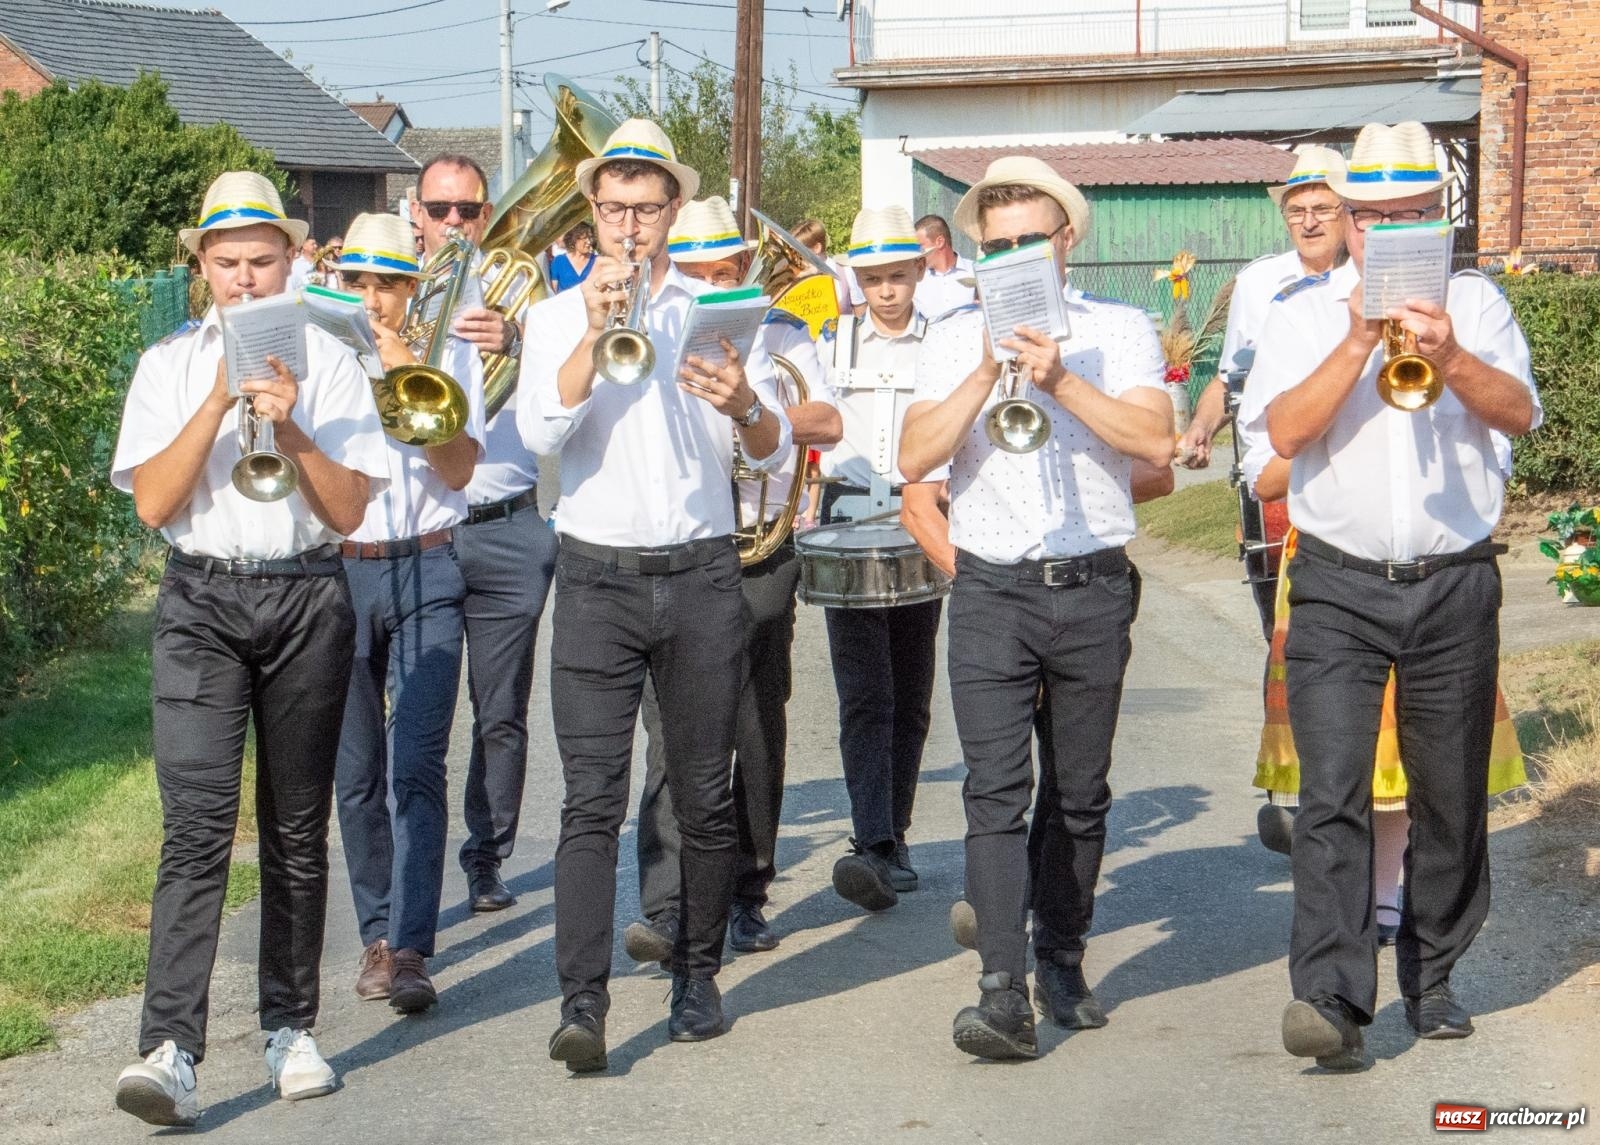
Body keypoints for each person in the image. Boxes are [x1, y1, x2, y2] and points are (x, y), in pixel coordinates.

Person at [1237, 121, 1540, 1071]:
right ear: (1354, 225)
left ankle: (1433, 973)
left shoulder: (1478, 305)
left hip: (1452, 580)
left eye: (1409, 218)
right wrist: (1361, 337)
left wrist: (1447, 358)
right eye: (1372, 219)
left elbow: (1521, 413)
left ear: (1435, 223)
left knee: (1450, 796)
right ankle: (1329, 995)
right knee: (1331, 794)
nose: (1387, 234)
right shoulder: (1299, 311)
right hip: (1337, 582)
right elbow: (1282, 434)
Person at [108, 172, 388, 1126]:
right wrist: (225, 396)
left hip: (308, 590)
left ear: (293, 261)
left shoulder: (336, 361)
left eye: (260, 261)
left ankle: (289, 1029)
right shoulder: (170, 363)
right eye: (225, 264)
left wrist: (291, 416)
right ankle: (172, 1047)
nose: (242, 278)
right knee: (194, 831)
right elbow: (152, 504)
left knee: (297, 829)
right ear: (202, 269)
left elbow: (349, 509)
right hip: (201, 600)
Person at [519, 119, 792, 1069]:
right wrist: (594, 334)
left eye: (645, 207)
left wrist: (746, 403)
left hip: (701, 569)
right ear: (590, 211)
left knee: (703, 795)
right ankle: (581, 1006)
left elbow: (775, 450)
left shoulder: (716, 309)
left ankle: (697, 977)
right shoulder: (556, 314)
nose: (628, 224)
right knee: (589, 801)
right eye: (612, 207)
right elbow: (541, 433)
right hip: (596, 573)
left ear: (674, 212)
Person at [900, 156, 1175, 1061]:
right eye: (996, 245)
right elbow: (914, 458)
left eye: (1029, 240)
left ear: (1065, 242)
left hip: (1092, 581)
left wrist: (1059, 380)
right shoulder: (952, 335)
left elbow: (1155, 439)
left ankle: (1062, 953)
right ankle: (1001, 989)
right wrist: (985, 370)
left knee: (1081, 790)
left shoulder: (1118, 329)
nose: (1013, 255)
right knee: (993, 791)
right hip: (992, 586)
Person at [623, 196, 842, 961]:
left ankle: (748, 893)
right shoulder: (652, 335)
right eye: (696, 271)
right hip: (682, 546)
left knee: (754, 725)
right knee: (667, 733)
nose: (713, 284)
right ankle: (665, 902)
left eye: (725, 270)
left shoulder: (784, 333)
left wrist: (759, 402)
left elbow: (830, 422)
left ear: (745, 268)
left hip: (757, 552)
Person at [333, 212, 487, 1015]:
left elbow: (462, 470)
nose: (371, 298)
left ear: (411, 287)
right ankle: (374, 933)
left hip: (429, 558)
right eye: (357, 282)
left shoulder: (448, 350)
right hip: (340, 567)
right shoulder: (319, 352)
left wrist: (402, 368)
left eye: (386, 283)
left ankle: (413, 945)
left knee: (416, 761)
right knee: (354, 771)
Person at [412, 153, 556, 916]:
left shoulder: (532, 301)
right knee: (419, 714)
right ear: (417, 214)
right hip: (427, 530)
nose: (456, 225)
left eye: (469, 211)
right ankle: (413, 873)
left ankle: (486, 854)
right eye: (441, 210)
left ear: (490, 212)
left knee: (500, 712)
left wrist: (518, 344)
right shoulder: (395, 298)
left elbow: (576, 386)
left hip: (507, 525)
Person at [812, 205, 948, 914]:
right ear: (856, 278)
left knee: (912, 686)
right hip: (847, 515)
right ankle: (870, 839)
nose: (887, 290)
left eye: (898, 275)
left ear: (921, 271)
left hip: (919, 510)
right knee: (864, 689)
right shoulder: (831, 339)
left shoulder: (944, 343)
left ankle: (894, 831)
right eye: (873, 278)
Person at [1178, 146, 1350, 639]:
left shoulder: (1367, 277)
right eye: (1296, 211)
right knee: (1285, 632)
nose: (1309, 223)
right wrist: (1199, 428)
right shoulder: (1258, 282)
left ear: (1349, 213)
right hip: (1282, 472)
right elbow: (1232, 376)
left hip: (1355, 465)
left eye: (1322, 209)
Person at [914, 213, 976, 320]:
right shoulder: (915, 281)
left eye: (920, 246)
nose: (917, 253)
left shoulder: (975, 271)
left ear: (940, 242)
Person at [549, 221, 597, 293]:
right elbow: (553, 292)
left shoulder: (597, 261)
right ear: (574, 239)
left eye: (590, 237)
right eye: (585, 238)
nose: (589, 242)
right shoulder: (558, 261)